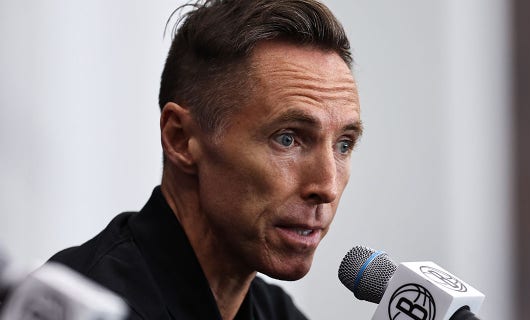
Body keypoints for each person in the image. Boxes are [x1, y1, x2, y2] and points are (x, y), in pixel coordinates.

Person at [49, 0, 362, 319]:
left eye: (344, 145)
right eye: (287, 139)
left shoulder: (277, 312)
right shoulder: (78, 307)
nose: (327, 187)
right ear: (181, 139)